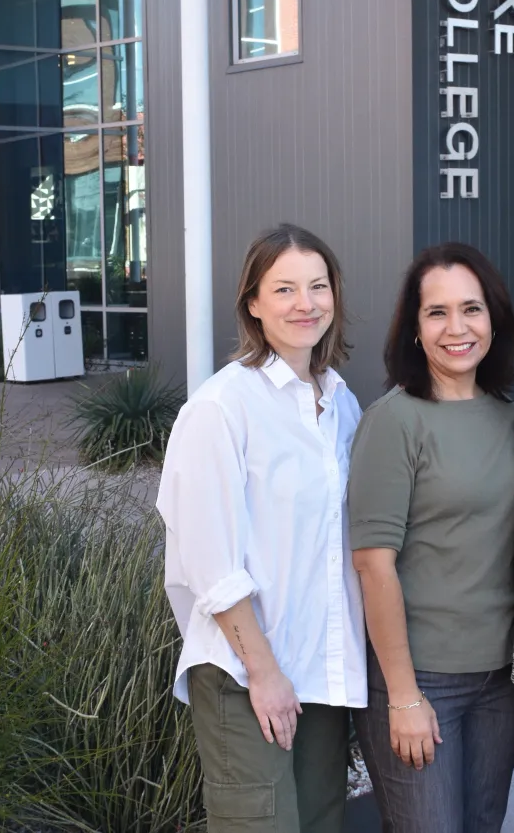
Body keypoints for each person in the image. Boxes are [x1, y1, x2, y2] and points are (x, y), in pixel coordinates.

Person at [156, 224, 366, 833]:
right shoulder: (221, 407)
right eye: (285, 289)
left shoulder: (342, 404)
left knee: (321, 822)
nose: (306, 304)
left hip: (321, 670)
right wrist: (265, 673)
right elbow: (210, 560)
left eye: (318, 286)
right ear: (253, 302)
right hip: (247, 672)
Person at [349, 242, 514, 833]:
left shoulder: (510, 417)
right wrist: (402, 693)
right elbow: (374, 565)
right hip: (422, 679)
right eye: (437, 312)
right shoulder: (395, 420)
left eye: (471, 309)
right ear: (415, 330)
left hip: (502, 680)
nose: (458, 328)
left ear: (493, 319)